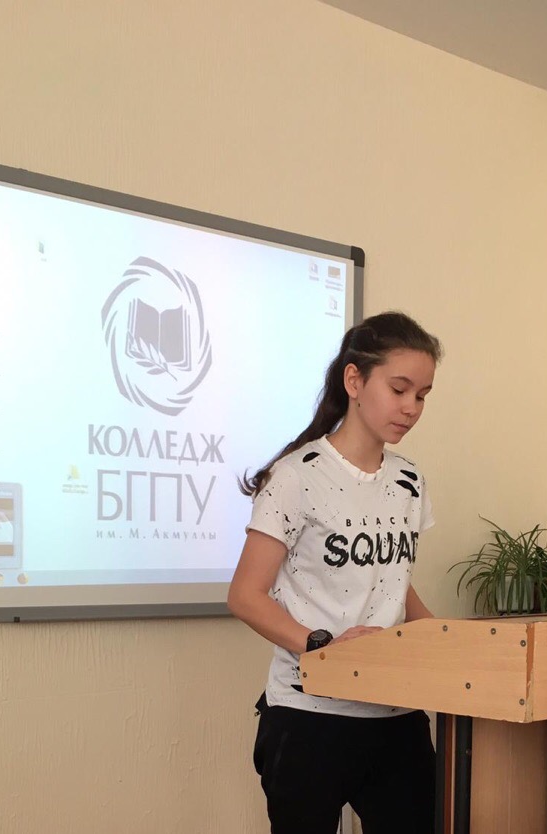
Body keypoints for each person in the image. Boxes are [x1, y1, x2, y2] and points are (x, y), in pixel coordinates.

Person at [228, 311, 442, 834]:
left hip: (396, 713)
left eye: (422, 395)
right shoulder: (295, 476)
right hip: (309, 716)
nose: (411, 408)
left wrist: (442, 638)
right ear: (354, 380)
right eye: (399, 389)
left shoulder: (409, 480)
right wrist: (323, 645)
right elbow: (246, 596)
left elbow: (391, 578)